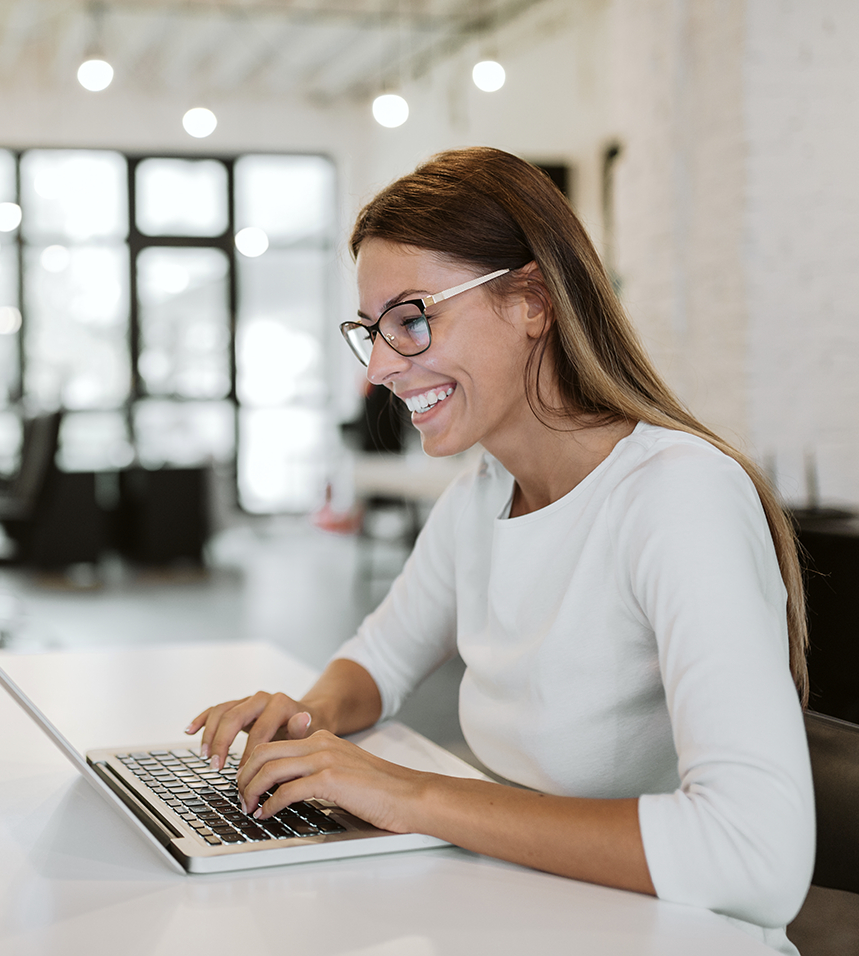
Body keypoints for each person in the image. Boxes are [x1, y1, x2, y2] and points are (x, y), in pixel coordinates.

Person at [187, 148, 814, 954]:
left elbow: (754, 854)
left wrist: (406, 791)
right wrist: (304, 723)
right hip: (532, 910)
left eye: (412, 318)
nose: (380, 367)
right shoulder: (485, 491)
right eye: (371, 331)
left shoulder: (678, 495)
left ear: (532, 301)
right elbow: (379, 659)